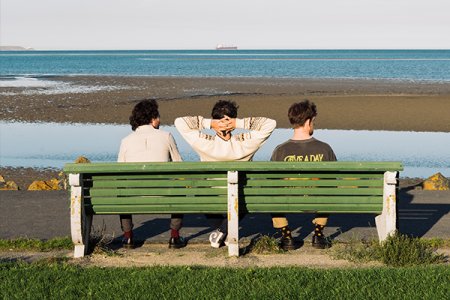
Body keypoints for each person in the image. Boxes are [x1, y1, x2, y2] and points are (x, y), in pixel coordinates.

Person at [175, 100, 276, 247]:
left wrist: (210, 123)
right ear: (234, 118)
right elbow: (270, 123)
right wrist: (238, 123)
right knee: (244, 192)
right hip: (240, 197)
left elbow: (180, 122)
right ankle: (226, 231)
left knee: (201, 192)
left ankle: (223, 230)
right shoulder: (245, 143)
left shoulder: (204, 142)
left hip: (212, 197)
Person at [118, 99, 186, 249]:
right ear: (153, 119)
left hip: (133, 196)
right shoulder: (166, 135)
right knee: (179, 188)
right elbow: (180, 165)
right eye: (158, 116)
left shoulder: (125, 141)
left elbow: (120, 173)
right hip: (163, 194)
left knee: (121, 190)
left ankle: (128, 236)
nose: (160, 120)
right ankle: (174, 236)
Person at [270, 100, 337, 249]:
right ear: (308, 122)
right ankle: (318, 235)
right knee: (329, 191)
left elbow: (271, 182)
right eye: (313, 121)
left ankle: (286, 236)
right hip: (317, 200)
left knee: (271, 194)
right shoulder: (325, 149)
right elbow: (334, 180)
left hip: (288, 199)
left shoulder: (280, 150)